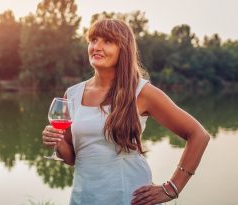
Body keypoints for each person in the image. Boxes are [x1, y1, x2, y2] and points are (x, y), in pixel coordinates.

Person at [41, 19, 210, 205]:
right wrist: (57, 142)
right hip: (84, 197)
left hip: (130, 196)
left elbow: (198, 135)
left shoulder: (141, 92)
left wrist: (172, 188)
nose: (97, 46)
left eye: (107, 41)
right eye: (93, 39)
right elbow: (73, 158)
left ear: (123, 49)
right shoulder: (72, 94)